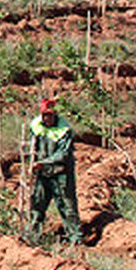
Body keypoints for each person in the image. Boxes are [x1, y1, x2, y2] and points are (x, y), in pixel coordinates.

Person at [27, 97, 83, 246]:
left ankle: (75, 240)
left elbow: (63, 154)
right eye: (45, 115)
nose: (47, 118)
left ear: (55, 114)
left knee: (68, 207)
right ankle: (33, 238)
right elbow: (33, 147)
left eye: (50, 115)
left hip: (61, 174)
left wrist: (43, 163)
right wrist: (32, 161)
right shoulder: (36, 126)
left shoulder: (64, 130)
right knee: (37, 206)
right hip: (43, 174)